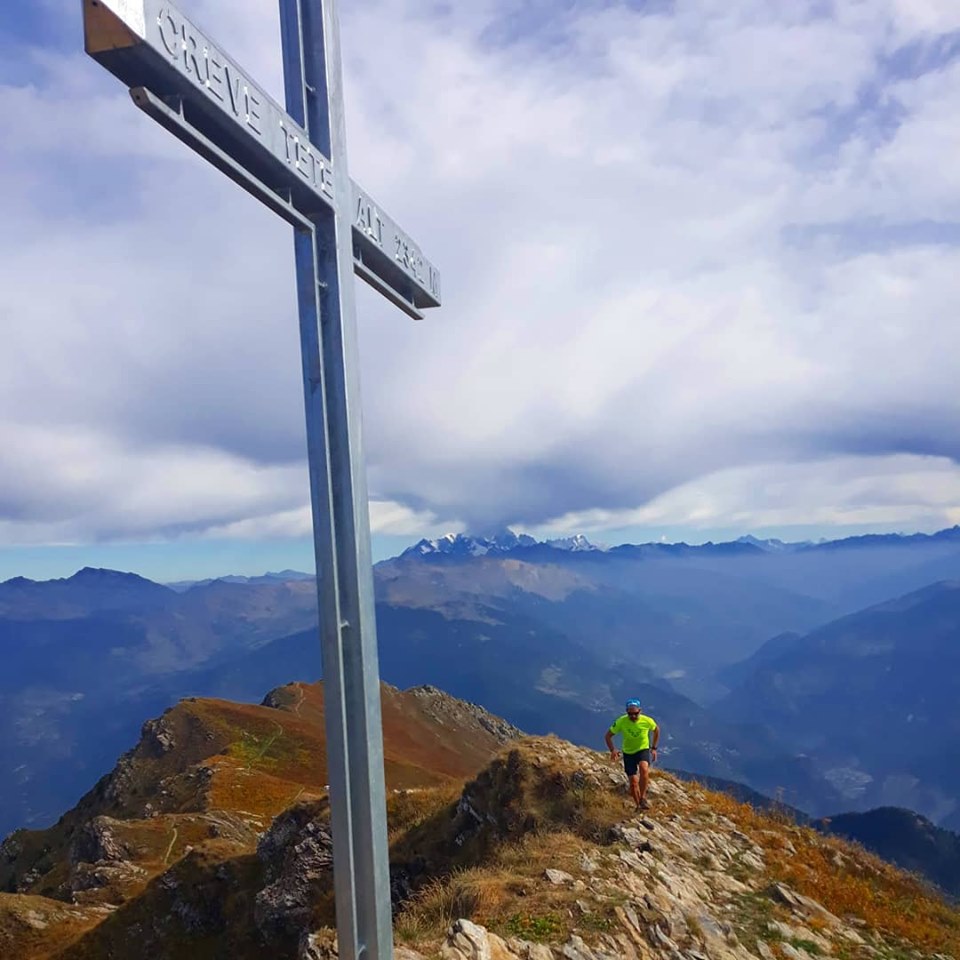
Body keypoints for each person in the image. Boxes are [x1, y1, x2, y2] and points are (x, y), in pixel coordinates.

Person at [605, 698, 659, 810]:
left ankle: (643, 798)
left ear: (640, 711)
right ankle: (639, 805)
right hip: (628, 753)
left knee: (644, 769)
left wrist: (653, 748)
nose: (633, 716)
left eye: (636, 713)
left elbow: (656, 730)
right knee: (633, 783)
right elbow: (608, 736)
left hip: (642, 749)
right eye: (630, 714)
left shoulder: (647, 721)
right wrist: (613, 750)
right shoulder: (621, 721)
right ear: (626, 712)